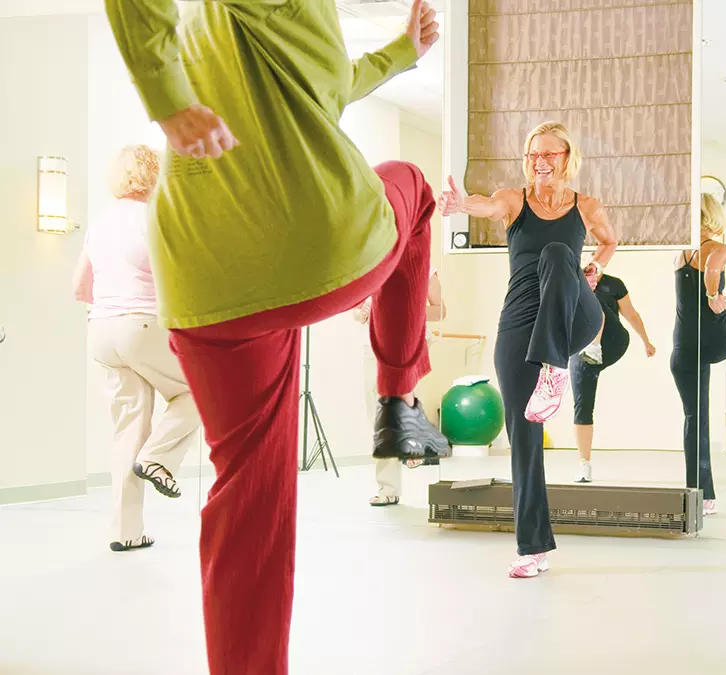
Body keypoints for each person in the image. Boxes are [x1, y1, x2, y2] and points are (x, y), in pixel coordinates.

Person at [105, 2, 447, 673]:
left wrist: (402, 52)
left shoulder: (230, 29)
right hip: (319, 245)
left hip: (204, 282)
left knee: (248, 504)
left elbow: (328, 84)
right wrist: (167, 102)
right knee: (412, 185)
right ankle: (398, 397)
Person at [437, 121, 617, 579]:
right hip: (520, 327)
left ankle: (554, 370)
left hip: (577, 318)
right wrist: (462, 204)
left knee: (558, 253)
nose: (541, 160)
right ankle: (532, 547)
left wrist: (594, 265)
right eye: (534, 152)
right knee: (525, 436)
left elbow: (610, 239)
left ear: (567, 158)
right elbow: (488, 204)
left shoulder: (586, 206)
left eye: (551, 153)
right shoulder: (514, 200)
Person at [72, 145, 202, 553]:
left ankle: (126, 532)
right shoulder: (152, 219)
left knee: (128, 429)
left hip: (101, 331)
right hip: (140, 326)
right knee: (201, 390)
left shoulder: (100, 223)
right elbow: (175, 279)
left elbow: (80, 288)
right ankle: (158, 457)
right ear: (154, 174)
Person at [670, 193, 726, 517]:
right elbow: (711, 266)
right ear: (714, 216)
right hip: (719, 339)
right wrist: (712, 295)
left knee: (695, 421)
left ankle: (702, 496)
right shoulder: (719, 248)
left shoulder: (680, 255)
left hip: (683, 351)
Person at [355, 267, 447, 506]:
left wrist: (401, 307)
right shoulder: (370, 266)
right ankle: (389, 489)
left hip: (404, 346)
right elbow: (356, 313)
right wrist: (364, 311)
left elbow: (440, 311)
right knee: (378, 418)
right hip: (373, 348)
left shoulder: (424, 269)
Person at [571, 268, 656, 483]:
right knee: (582, 405)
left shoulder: (613, 284)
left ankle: (595, 345)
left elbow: (632, 314)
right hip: (581, 350)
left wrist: (646, 341)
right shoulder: (571, 279)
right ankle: (584, 464)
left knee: (592, 299)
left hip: (612, 341)